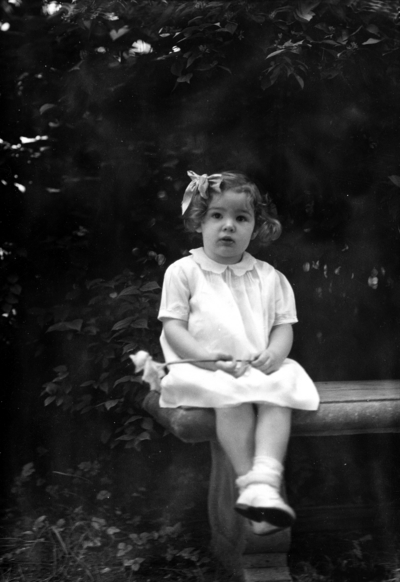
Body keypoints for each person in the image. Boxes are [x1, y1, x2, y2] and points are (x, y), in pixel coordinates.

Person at [157, 170, 319, 535]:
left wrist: (276, 355)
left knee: (282, 390)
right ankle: (252, 488)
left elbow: (282, 325)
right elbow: (173, 327)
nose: (228, 226)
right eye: (217, 215)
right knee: (231, 398)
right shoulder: (184, 272)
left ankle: (264, 482)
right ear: (199, 221)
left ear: (256, 228)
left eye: (240, 218)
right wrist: (207, 359)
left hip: (254, 367)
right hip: (203, 368)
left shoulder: (268, 276)